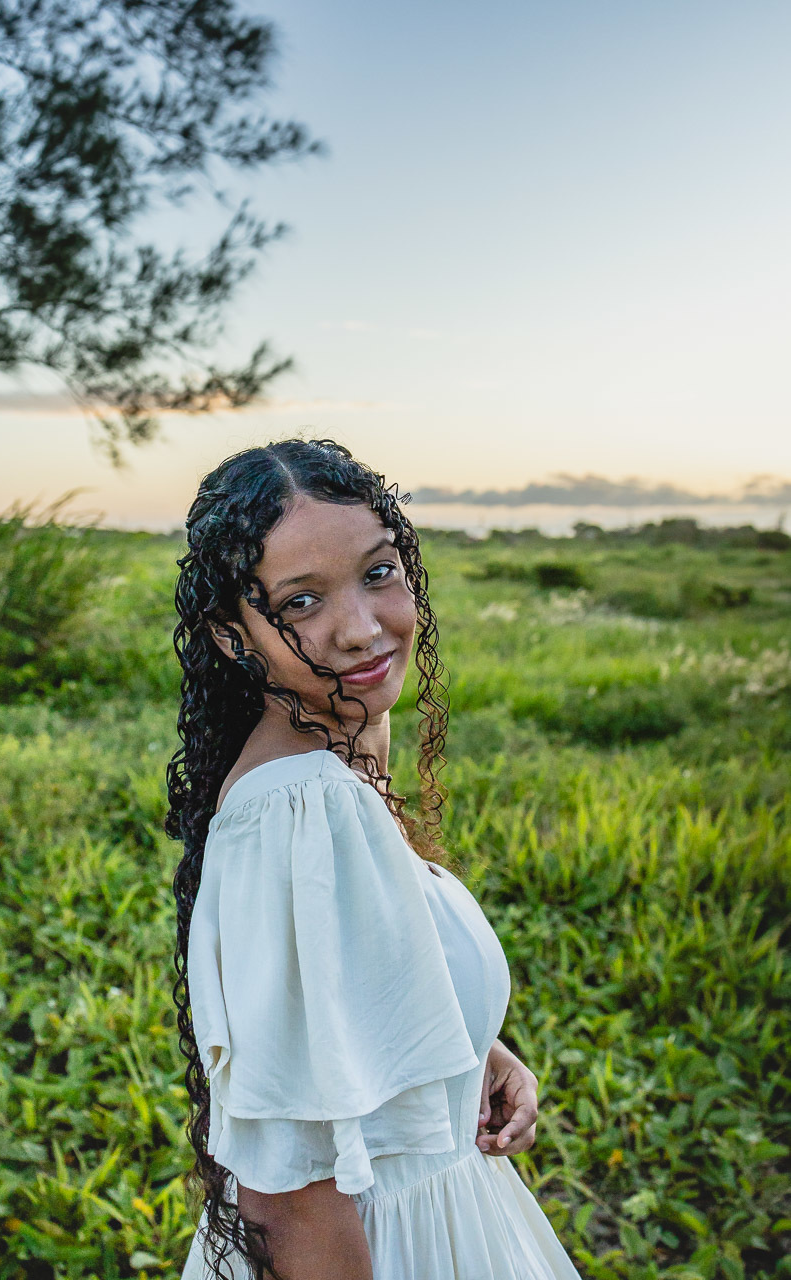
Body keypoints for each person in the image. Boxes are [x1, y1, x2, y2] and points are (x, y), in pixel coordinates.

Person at [167, 438, 583, 1280]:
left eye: (378, 573)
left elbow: (349, 986)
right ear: (235, 639)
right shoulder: (299, 808)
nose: (360, 629)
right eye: (302, 600)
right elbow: (286, 1198)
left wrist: (465, 1047)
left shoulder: (344, 739)